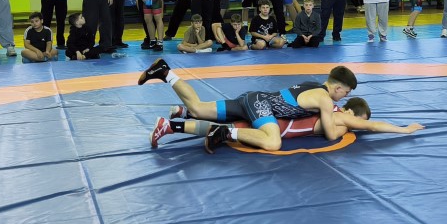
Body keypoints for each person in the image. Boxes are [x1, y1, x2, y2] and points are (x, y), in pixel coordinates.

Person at [138, 59, 359, 153]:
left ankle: (166, 73)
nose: (343, 98)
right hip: (261, 105)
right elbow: (331, 134)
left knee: (197, 108)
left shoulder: (312, 84)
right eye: (346, 93)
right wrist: (349, 124)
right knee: (273, 142)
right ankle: (224, 132)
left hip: (253, 99)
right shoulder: (325, 98)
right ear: (338, 87)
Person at [149, 97, 425, 149]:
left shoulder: (331, 109)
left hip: (275, 116)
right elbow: (374, 127)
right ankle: (172, 124)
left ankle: (179, 118)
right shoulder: (340, 116)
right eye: (357, 121)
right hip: (279, 126)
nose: (356, 126)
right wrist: (404, 129)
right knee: (228, 130)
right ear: (350, 111)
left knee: (229, 118)